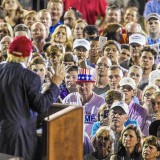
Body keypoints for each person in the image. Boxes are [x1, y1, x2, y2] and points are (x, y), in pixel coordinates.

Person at [0, 36, 65, 160]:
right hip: (19, 137)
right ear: (28, 55)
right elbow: (41, 105)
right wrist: (55, 85)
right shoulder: (30, 76)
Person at [63, 68, 105, 135]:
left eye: (87, 84)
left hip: (92, 140)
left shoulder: (101, 102)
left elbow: (104, 125)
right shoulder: (69, 99)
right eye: (80, 84)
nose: (83, 87)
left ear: (93, 85)